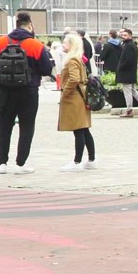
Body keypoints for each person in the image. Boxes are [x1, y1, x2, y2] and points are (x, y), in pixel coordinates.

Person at [0, 11, 54, 173]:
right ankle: (21, 164)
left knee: (3, 126)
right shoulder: (36, 45)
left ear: (16, 24)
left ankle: (2, 163)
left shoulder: (1, 41)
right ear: (30, 25)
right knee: (27, 127)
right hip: (28, 91)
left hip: (4, 90)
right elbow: (46, 70)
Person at [56, 32, 96, 171]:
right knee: (84, 129)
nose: (63, 44)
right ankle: (91, 160)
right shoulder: (78, 58)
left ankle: (77, 162)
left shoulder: (72, 60)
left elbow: (74, 78)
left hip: (74, 98)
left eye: (65, 42)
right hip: (80, 96)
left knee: (78, 130)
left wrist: (65, 92)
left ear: (71, 45)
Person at [114, 27, 138, 116]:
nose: (123, 37)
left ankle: (129, 110)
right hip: (129, 72)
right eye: (122, 35)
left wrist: (120, 67)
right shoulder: (130, 45)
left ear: (130, 36)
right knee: (132, 90)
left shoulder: (129, 46)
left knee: (128, 92)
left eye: (125, 35)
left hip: (126, 73)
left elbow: (128, 60)